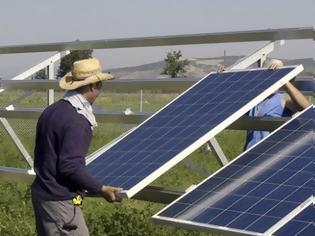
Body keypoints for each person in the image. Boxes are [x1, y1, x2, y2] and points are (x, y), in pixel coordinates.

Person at [31, 58, 122, 236]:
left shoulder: (53, 110)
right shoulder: (77, 120)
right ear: (92, 85)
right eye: (100, 84)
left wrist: (78, 200)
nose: (100, 89)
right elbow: (70, 166)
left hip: (44, 193)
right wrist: (101, 188)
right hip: (59, 199)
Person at [244, 59, 311, 150]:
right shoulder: (253, 101)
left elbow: (306, 107)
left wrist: (285, 82)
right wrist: (223, 76)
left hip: (269, 156)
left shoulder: (282, 98)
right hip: (249, 155)